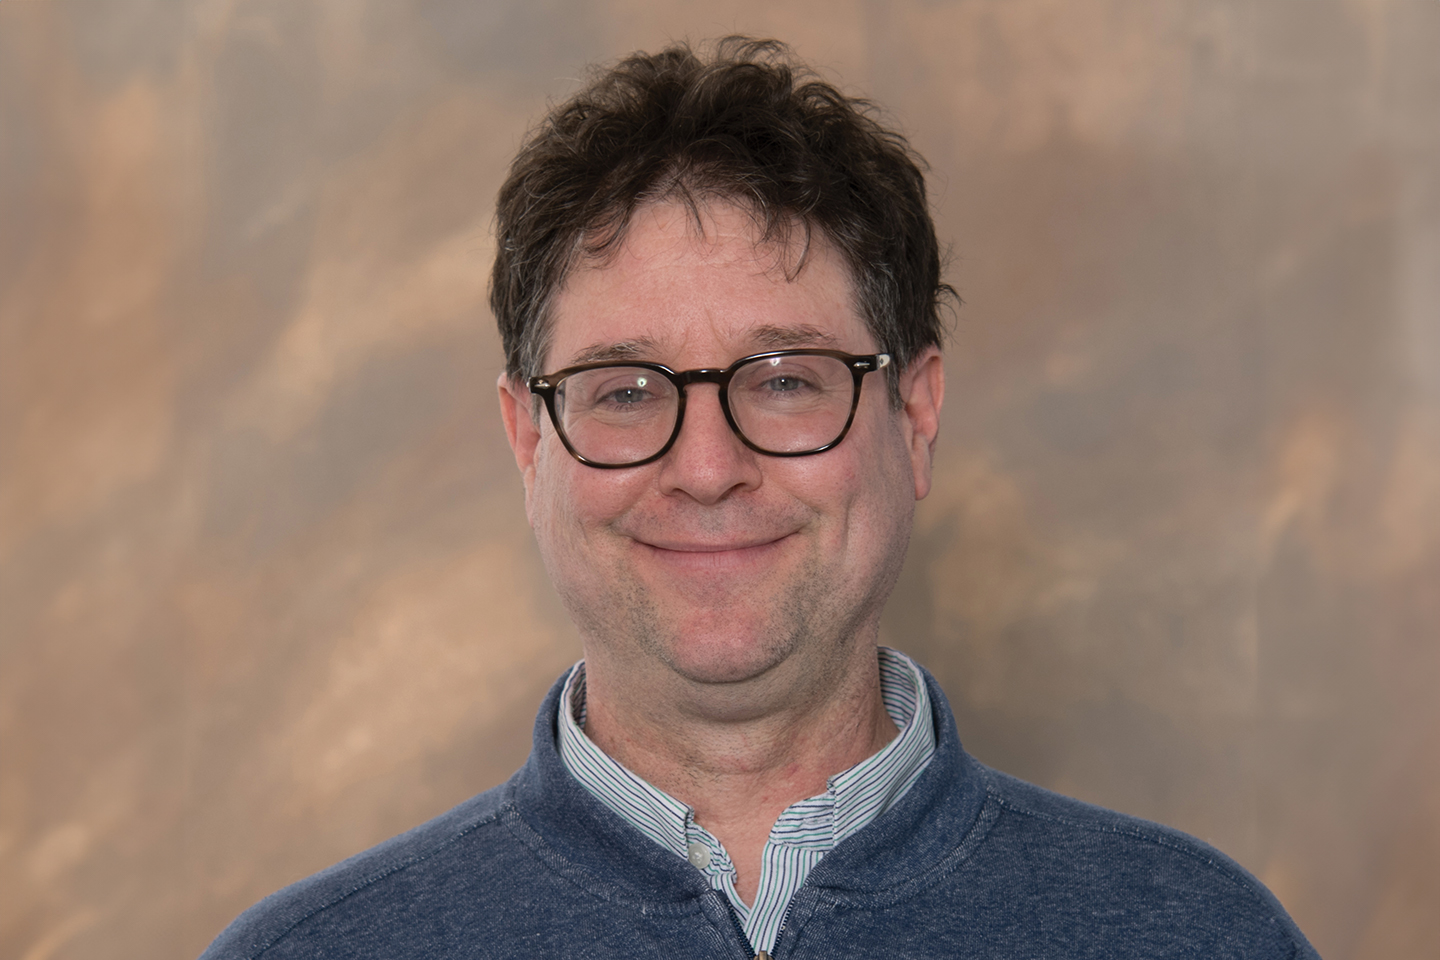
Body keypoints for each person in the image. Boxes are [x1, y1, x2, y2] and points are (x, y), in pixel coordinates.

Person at [202, 38, 1318, 960]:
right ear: (528, 440)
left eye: (784, 380)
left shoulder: (1205, 936)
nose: (705, 467)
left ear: (914, 415)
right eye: (625, 391)